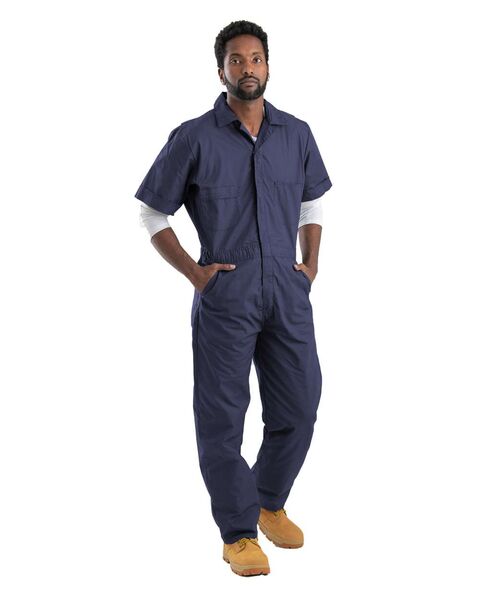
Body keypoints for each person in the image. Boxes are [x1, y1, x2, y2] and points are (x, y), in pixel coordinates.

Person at [134, 20, 333, 577]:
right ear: (221, 70)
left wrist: (311, 264)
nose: (248, 68)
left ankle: (268, 501)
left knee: (300, 405)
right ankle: (239, 533)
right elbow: (152, 212)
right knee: (222, 418)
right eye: (237, 60)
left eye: (256, 58)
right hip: (227, 294)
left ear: (268, 65)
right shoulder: (193, 137)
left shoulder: (296, 134)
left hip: (288, 293)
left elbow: (311, 203)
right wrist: (197, 275)